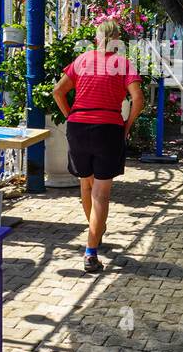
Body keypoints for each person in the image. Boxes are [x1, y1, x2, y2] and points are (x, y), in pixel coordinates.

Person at [52, 18, 146, 273]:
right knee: (101, 194)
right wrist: (127, 125)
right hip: (108, 127)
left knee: (86, 183)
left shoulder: (82, 60)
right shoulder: (123, 64)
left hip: (79, 127)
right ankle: (91, 251)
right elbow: (138, 99)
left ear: (97, 38)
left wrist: (71, 115)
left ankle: (96, 232)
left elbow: (58, 91)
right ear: (118, 41)